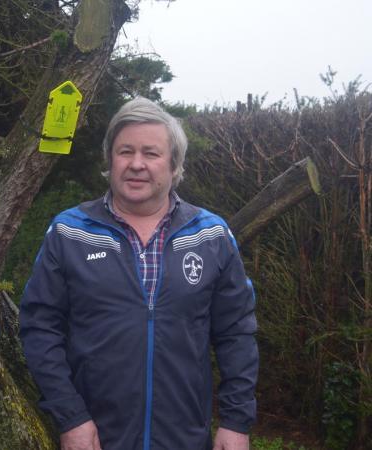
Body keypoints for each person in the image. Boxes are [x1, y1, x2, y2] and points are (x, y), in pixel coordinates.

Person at [19, 97, 258, 450]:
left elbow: (236, 333)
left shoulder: (211, 236)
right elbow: (40, 329)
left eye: (151, 153)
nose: (136, 164)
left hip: (184, 438)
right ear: (109, 159)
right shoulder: (70, 232)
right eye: (125, 151)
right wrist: (70, 418)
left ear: (174, 164)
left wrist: (236, 421)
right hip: (94, 438)